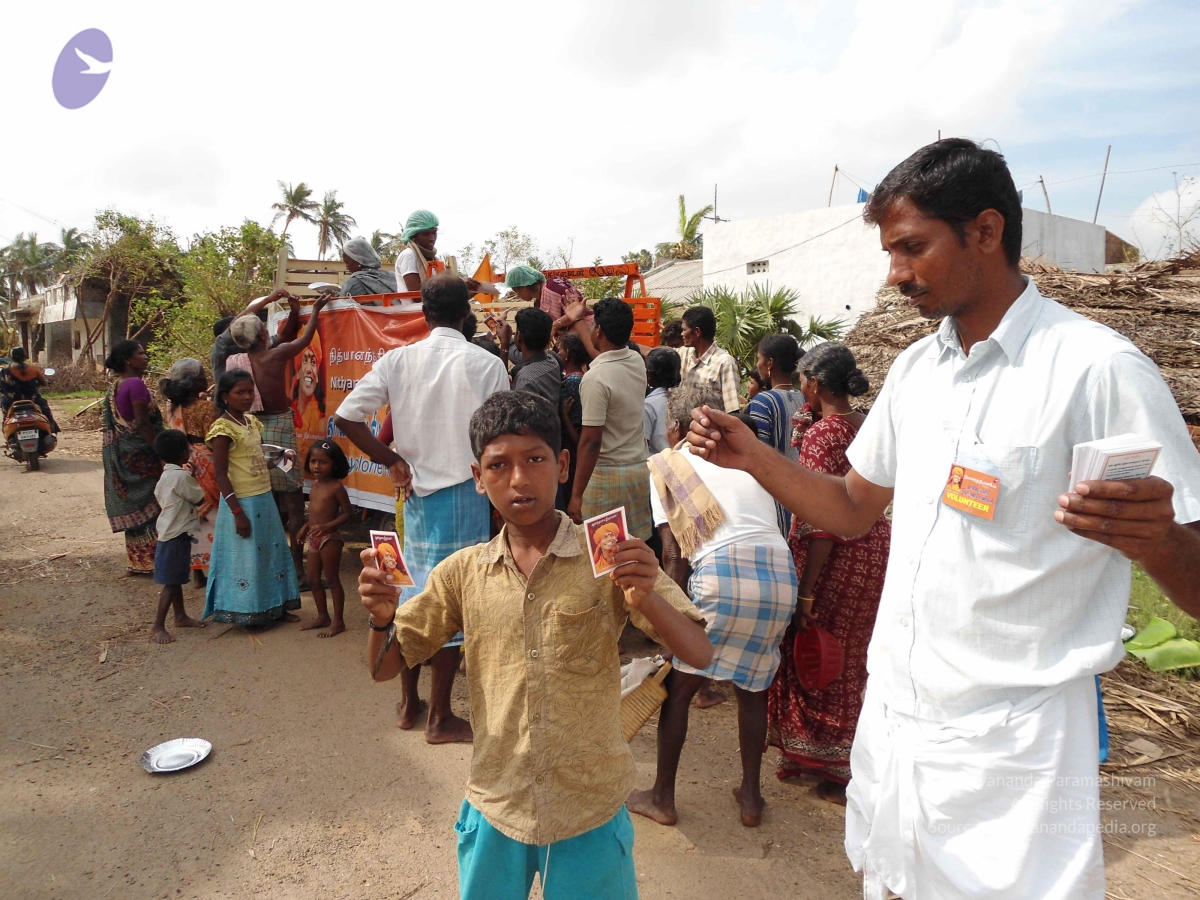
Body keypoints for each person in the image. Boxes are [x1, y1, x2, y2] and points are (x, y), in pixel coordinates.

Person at [686, 139, 1200, 900]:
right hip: (896, 720)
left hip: (1015, 745)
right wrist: (754, 458)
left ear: (986, 231)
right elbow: (853, 507)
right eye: (891, 253)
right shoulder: (916, 371)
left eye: (911, 248)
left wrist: (1156, 539)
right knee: (889, 883)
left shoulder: (1095, 370)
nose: (895, 273)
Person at [358, 391, 714, 900]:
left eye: (535, 460)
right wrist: (380, 620)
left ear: (563, 465)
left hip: (588, 805)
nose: (519, 480)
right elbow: (383, 668)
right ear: (478, 477)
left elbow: (699, 653)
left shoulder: (609, 558)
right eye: (498, 465)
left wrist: (647, 598)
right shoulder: (463, 573)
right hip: (498, 801)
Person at [334, 273, 509, 744]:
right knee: (452, 603)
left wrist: (391, 460)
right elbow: (499, 437)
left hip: (412, 495)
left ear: (425, 315)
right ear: (466, 314)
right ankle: (440, 716)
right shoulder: (488, 364)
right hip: (467, 494)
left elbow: (346, 417)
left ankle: (411, 704)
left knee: (410, 597)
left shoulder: (397, 360)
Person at [628, 386, 797, 830]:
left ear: (677, 428)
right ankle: (751, 798)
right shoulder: (748, 461)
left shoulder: (670, 464)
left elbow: (674, 555)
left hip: (722, 573)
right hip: (779, 575)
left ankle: (662, 798)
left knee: (680, 688)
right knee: (752, 690)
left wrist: (671, 626)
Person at [766, 342, 890, 805]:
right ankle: (851, 758)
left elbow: (819, 522)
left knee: (820, 654)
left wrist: (807, 593)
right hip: (874, 551)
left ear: (815, 384)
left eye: (804, 381)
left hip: (837, 559)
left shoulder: (823, 436)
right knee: (854, 660)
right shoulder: (866, 424)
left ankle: (831, 764)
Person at [227, 295, 330, 583]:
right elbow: (305, 338)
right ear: (263, 335)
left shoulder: (236, 360)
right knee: (294, 502)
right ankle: (298, 570)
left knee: (267, 499)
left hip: (252, 432)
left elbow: (249, 327)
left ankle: (271, 568)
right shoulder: (275, 355)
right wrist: (316, 310)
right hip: (279, 431)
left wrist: (291, 310)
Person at [203, 369, 301, 626]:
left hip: (264, 497)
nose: (247, 397)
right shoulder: (222, 430)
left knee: (272, 552)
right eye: (240, 392)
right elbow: (221, 474)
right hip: (242, 502)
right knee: (247, 559)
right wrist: (237, 513)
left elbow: (255, 458)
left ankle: (277, 606)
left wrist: (280, 459)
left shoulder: (251, 422)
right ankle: (249, 612)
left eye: (250, 391)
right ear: (225, 396)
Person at [567, 299, 652, 540]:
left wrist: (576, 495)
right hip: (638, 469)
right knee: (634, 546)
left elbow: (591, 442)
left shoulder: (595, 379)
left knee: (603, 550)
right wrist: (578, 321)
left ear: (600, 331)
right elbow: (602, 355)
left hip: (606, 476)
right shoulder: (635, 360)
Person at [101, 340, 163, 575]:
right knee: (153, 500)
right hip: (142, 454)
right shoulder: (135, 384)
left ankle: (139, 561)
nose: (145, 356)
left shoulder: (116, 385)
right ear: (128, 360)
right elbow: (143, 423)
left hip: (126, 452)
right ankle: (155, 560)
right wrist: (161, 451)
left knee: (140, 504)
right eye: (140, 353)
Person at [159, 359, 220, 580]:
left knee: (192, 515)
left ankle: (197, 573)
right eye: (202, 374)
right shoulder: (206, 408)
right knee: (213, 517)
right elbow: (214, 440)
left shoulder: (172, 407)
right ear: (193, 381)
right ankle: (213, 568)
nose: (206, 378)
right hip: (206, 464)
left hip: (183, 463)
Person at [149, 429, 207, 644]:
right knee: (172, 582)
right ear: (184, 453)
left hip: (168, 532)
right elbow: (199, 498)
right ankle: (158, 626)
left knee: (176, 578)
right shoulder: (182, 477)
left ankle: (180, 616)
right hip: (177, 533)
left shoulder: (165, 476)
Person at [746, 334, 807, 534]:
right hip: (806, 491)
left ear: (770, 363)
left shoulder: (763, 402)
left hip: (777, 494)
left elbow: (759, 455)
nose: (758, 364)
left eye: (759, 359)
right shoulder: (804, 398)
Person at [297, 440, 352, 638]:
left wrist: (327, 526)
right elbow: (315, 511)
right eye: (313, 461)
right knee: (312, 579)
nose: (317, 466)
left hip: (330, 538)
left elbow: (348, 513)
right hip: (314, 537)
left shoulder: (336, 487)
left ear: (334, 464)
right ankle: (322, 616)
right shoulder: (314, 484)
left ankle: (338, 622)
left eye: (323, 462)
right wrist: (306, 527)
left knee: (331, 579)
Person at [211, 288, 300, 381]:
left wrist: (294, 313)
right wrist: (268, 299)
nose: (267, 329)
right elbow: (234, 324)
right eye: (264, 327)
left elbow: (283, 336)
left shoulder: (257, 345)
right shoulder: (221, 347)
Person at [676, 306, 741, 413]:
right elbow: (657, 355)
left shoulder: (725, 362)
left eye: (684, 330)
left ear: (697, 331)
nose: (682, 334)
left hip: (709, 423)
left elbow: (732, 410)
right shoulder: (684, 353)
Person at [556, 331, 590, 509]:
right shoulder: (581, 377)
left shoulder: (572, 382)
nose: (557, 354)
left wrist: (563, 413)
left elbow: (577, 436)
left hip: (573, 454)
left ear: (567, 354)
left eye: (559, 350)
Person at [509, 308, 562, 408]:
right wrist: (507, 340)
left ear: (519, 336)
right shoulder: (552, 360)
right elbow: (517, 356)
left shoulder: (525, 380)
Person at [1, 347, 59, 432]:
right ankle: (52, 432)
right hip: (33, 401)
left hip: (11, 402)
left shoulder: (4, 371)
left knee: (6, 417)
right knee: (46, 413)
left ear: (11, 357)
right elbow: (43, 383)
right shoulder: (34, 369)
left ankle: (6, 432)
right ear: (25, 356)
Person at [643, 347, 681, 455]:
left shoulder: (649, 405)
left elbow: (643, 445)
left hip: (656, 462)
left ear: (649, 374)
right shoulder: (683, 399)